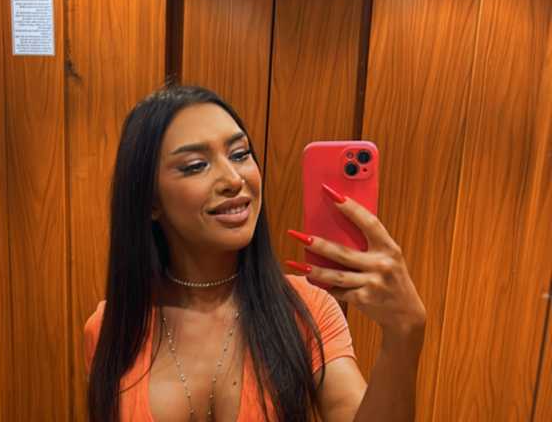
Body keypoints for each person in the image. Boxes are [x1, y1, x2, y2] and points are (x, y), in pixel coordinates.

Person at [84, 84, 426, 422]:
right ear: (150, 201)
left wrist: (403, 334)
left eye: (239, 154)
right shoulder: (111, 326)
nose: (234, 179)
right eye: (195, 165)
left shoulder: (306, 309)